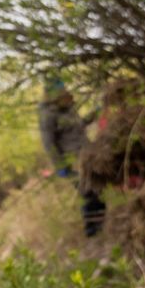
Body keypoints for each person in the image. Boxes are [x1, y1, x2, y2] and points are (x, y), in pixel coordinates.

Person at [37, 75, 105, 237]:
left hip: (87, 154)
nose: (64, 91)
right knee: (88, 192)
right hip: (72, 161)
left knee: (96, 188)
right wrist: (60, 166)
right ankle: (92, 231)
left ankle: (100, 225)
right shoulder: (47, 115)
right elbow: (48, 143)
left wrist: (95, 113)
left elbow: (79, 125)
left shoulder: (68, 108)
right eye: (59, 89)